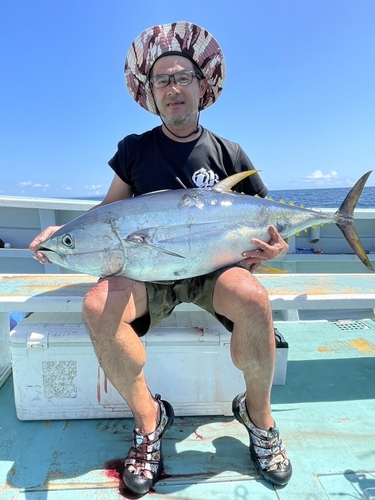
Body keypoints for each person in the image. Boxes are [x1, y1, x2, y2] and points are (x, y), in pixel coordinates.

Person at [30, 21, 292, 496]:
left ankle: (259, 417)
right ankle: (150, 420)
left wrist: (276, 248)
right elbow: (107, 212)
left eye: (183, 77)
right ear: (151, 94)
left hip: (214, 270)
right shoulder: (133, 150)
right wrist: (61, 233)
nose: (173, 88)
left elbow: (270, 222)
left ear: (201, 86)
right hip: (149, 273)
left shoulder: (229, 152)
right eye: (162, 80)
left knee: (255, 298)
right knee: (96, 307)